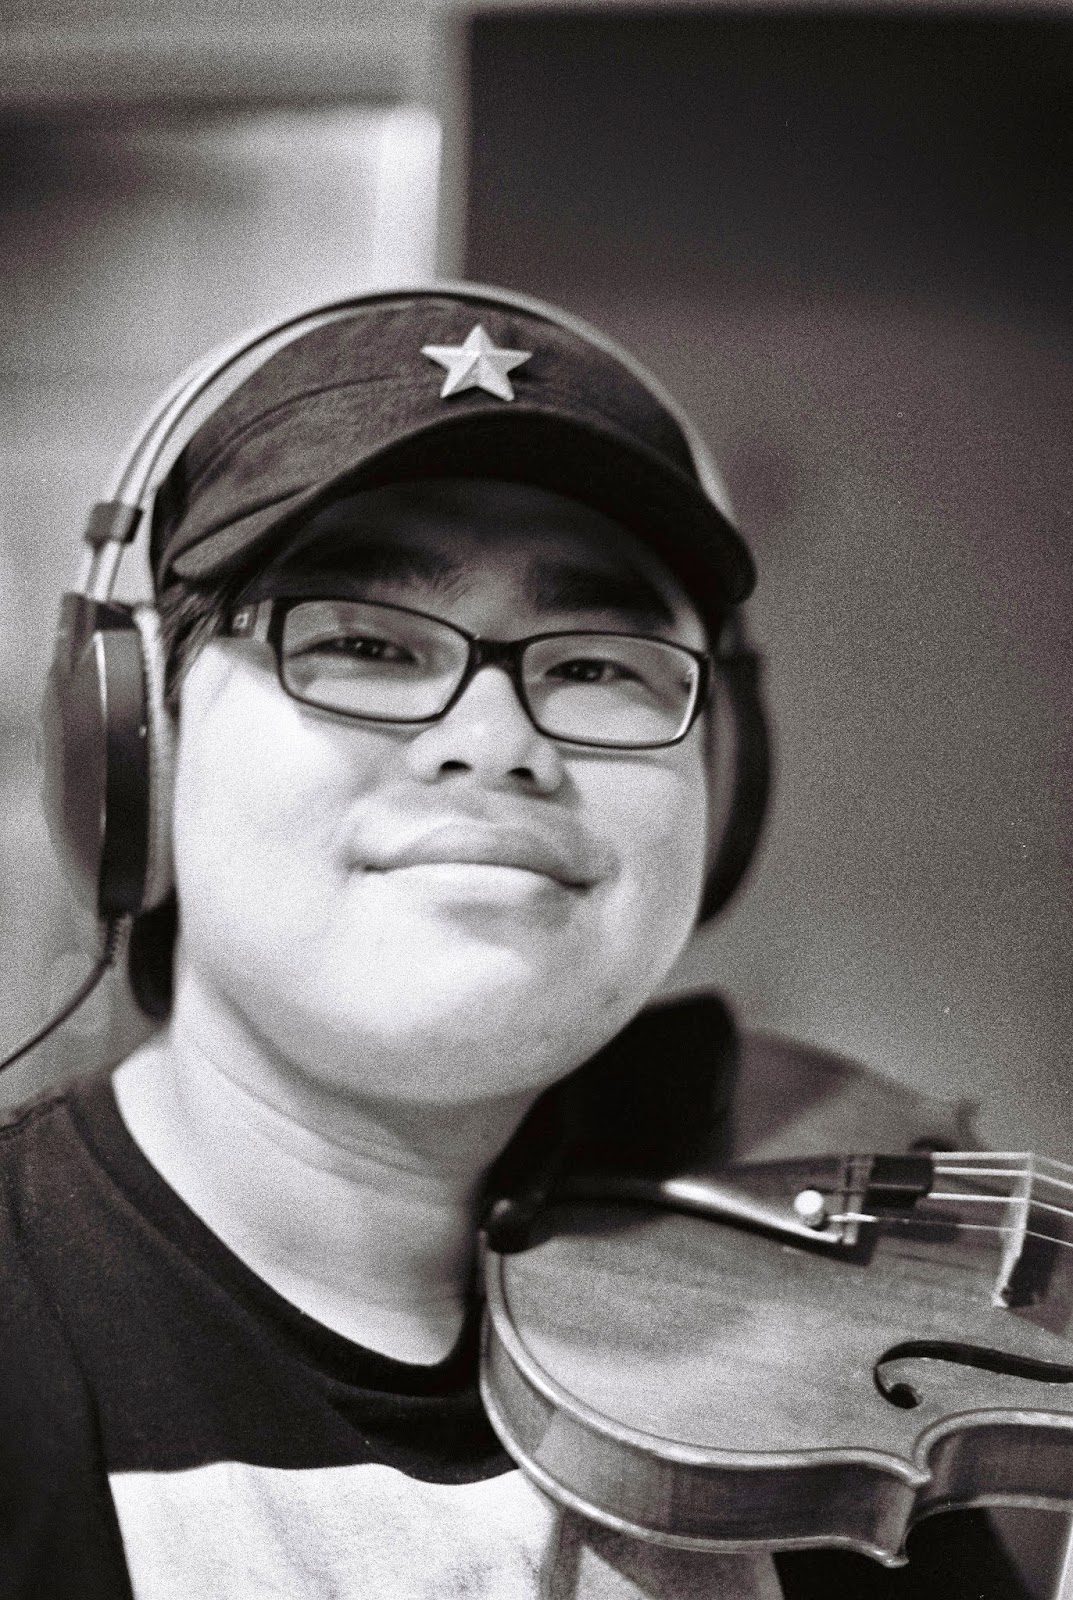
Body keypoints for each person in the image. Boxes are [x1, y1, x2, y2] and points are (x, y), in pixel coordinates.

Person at [0, 289, 1032, 1599]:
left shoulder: (841, 1364)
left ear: (721, 787)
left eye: (599, 667)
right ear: (130, 741)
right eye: (359, 643)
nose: (494, 743)